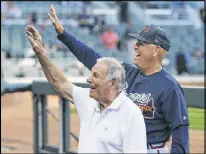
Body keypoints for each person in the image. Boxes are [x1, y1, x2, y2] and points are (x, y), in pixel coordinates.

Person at [48, 4, 190, 153]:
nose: (135, 46)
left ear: (156, 50)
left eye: (141, 43)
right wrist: (64, 35)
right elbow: (92, 58)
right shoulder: (126, 72)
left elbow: (180, 133)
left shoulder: (169, 86)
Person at [25, 24, 147, 153]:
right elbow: (60, 83)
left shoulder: (131, 114)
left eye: (96, 75)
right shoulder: (89, 98)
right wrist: (40, 52)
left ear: (112, 84)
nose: (88, 79)